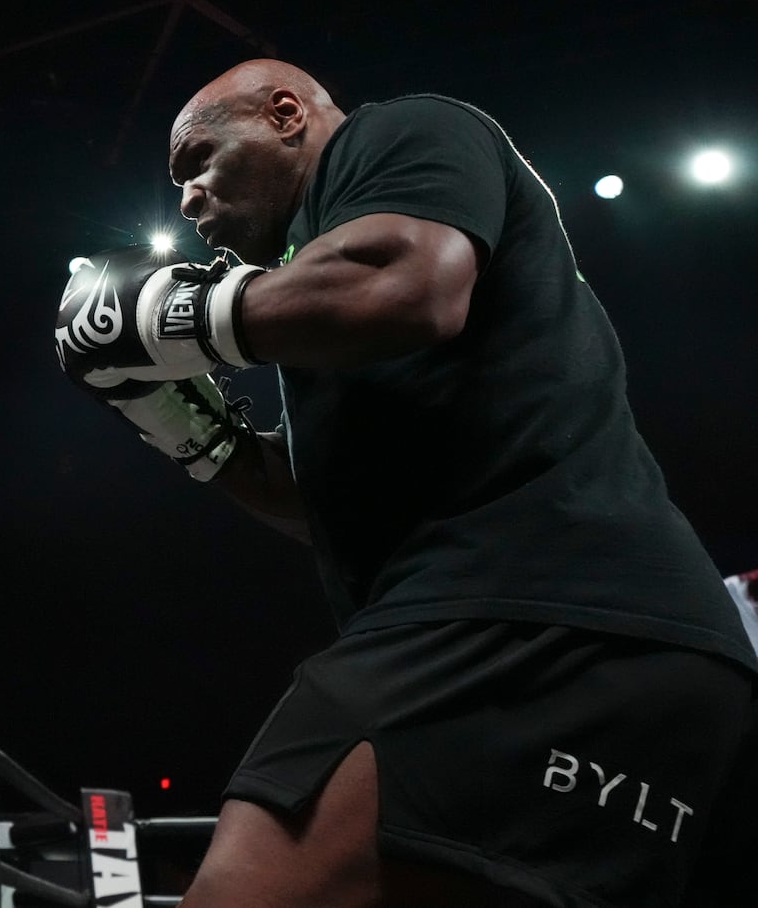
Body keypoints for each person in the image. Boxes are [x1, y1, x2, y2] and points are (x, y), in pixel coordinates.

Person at [55, 59, 757, 906]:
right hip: (663, 660)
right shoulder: (318, 297)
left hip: (530, 612)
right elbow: (328, 506)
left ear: (285, 114)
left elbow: (411, 284)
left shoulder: (403, 132)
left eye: (199, 159)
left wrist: (180, 318)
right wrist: (181, 422)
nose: (187, 199)